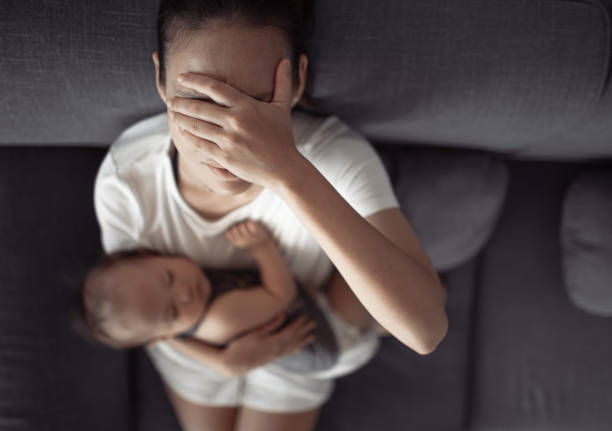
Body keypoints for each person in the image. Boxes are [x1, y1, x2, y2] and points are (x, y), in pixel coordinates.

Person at [94, 0, 448, 429]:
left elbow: (424, 331)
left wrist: (288, 171)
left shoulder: (332, 158)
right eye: (198, 102)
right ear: (161, 80)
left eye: (257, 103)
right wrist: (222, 362)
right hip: (198, 349)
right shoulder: (126, 182)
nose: (231, 137)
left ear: (297, 82)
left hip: (301, 334)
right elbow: (147, 319)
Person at [74, 220, 341, 374]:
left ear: (150, 253)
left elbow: (167, 337)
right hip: (328, 336)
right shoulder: (220, 319)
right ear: (164, 334)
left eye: (168, 278)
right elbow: (281, 295)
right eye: (173, 313)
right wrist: (262, 248)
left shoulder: (166, 331)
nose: (184, 293)